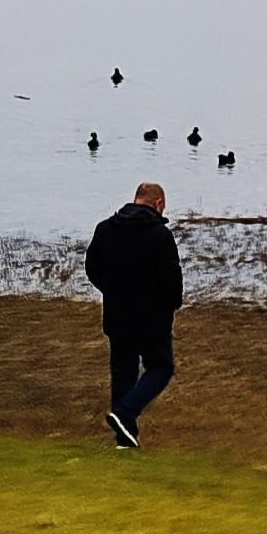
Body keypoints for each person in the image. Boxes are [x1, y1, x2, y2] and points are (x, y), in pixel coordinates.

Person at [84, 181, 183, 449]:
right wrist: (171, 305)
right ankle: (126, 413)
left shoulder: (105, 229)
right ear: (159, 204)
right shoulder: (160, 236)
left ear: (136, 199)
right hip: (152, 318)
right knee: (161, 368)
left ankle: (124, 439)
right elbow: (172, 280)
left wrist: (113, 291)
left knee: (123, 371)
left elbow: (92, 268)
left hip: (118, 315)